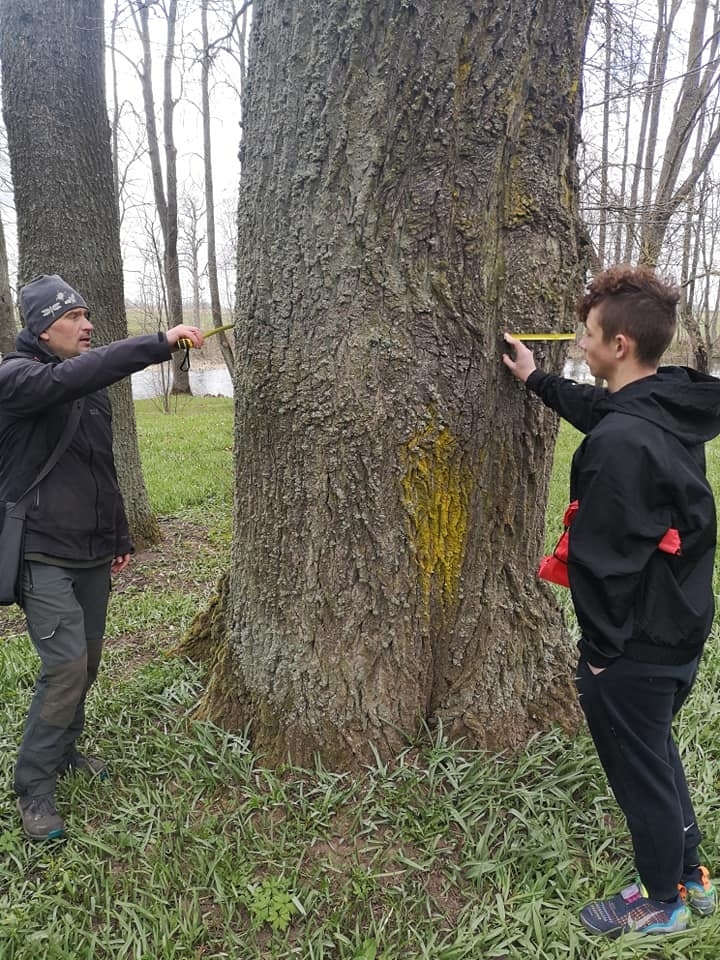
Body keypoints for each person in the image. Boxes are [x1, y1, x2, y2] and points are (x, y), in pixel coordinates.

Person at [503, 264, 720, 937]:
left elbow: (601, 569)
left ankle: (663, 901)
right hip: (680, 628)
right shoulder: (669, 405)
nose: (580, 344)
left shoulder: (620, 448)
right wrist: (537, 379)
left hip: (635, 648)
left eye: (587, 336)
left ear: (619, 345)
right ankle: (693, 878)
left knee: (640, 774)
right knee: (656, 753)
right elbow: (607, 409)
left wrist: (599, 657)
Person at [0, 274, 203, 841]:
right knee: (64, 665)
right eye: (75, 317)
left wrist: (119, 536)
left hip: (91, 548)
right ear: (44, 327)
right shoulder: (16, 379)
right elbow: (70, 377)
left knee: (86, 663)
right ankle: (33, 786)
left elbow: (99, 468)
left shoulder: (85, 392)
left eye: (89, 316)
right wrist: (158, 342)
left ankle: (65, 751)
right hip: (41, 551)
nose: (88, 326)